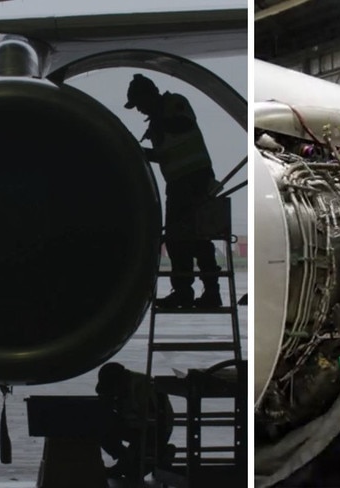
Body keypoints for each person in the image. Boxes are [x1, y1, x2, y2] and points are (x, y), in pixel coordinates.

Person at [124, 73, 222, 308]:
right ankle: (183, 292)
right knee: (178, 240)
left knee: (199, 237)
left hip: (196, 180)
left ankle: (211, 292)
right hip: (177, 184)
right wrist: (142, 152)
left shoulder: (174, 103)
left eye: (139, 104)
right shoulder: (158, 120)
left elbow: (183, 124)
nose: (140, 111)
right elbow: (166, 154)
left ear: (150, 95)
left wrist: (159, 120)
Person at [96, 362, 175, 479]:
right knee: (100, 424)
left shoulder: (142, 386)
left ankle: (161, 454)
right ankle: (127, 459)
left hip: (155, 430)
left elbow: (151, 421)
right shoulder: (124, 387)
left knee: (133, 474)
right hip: (138, 427)